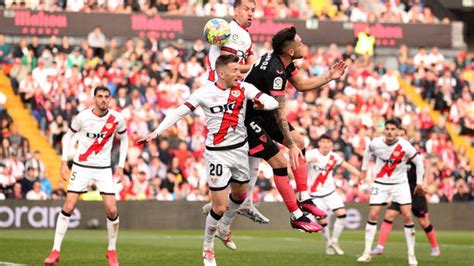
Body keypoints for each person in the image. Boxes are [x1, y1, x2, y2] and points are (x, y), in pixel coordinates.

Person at [138, 54, 278, 266]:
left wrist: (262, 104)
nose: (239, 74)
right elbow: (178, 113)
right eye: (235, 71)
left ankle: (224, 229)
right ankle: (208, 247)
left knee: (239, 197)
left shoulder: (244, 88)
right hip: (217, 153)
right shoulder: (204, 93)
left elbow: (272, 101)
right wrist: (156, 132)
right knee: (220, 207)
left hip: (240, 151)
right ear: (222, 73)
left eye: (240, 71)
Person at [242, 26, 346, 231]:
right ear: (290, 51)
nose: (303, 45)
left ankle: (304, 197)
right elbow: (280, 113)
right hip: (247, 119)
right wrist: (288, 144)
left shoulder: (282, 62)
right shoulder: (276, 72)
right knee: (281, 161)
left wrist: (329, 76)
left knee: (300, 141)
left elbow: (301, 84)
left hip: (265, 114)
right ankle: (296, 215)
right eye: (300, 42)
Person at [44, 86, 128, 266]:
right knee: (69, 205)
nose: (104, 100)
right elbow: (67, 137)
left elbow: (125, 139)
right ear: (94, 99)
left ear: (110, 99)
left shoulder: (117, 119)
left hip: (103, 168)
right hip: (81, 166)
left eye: (107, 96)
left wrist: (120, 165)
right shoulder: (82, 117)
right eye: (100, 96)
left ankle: (111, 250)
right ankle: (55, 250)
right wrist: (63, 161)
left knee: (112, 210)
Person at [357, 119, 424, 266]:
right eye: (387, 128)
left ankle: (411, 255)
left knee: (407, 215)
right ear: (384, 130)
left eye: (393, 129)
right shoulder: (376, 143)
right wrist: (363, 170)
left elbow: (419, 162)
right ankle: (367, 252)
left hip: (400, 184)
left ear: (397, 131)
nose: (389, 131)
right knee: (373, 213)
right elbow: (367, 151)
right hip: (379, 183)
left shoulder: (405, 146)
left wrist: (419, 182)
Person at [371, 128, 440, 257]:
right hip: (401, 189)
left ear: (407, 137)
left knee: (423, 222)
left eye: (402, 135)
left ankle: (435, 247)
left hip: (415, 191)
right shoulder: (393, 152)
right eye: (398, 135)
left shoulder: (412, 151)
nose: (400, 137)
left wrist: (425, 182)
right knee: (389, 215)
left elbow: (427, 164)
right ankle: (380, 247)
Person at [306, 134, 361, 255]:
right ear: (319, 143)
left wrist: (360, 175)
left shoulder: (334, 156)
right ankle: (328, 244)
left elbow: (347, 166)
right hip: (315, 195)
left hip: (330, 192)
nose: (326, 144)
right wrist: (307, 161)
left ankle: (334, 241)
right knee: (323, 222)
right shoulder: (311, 154)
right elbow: (297, 164)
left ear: (331, 144)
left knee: (342, 215)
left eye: (328, 142)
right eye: (323, 141)